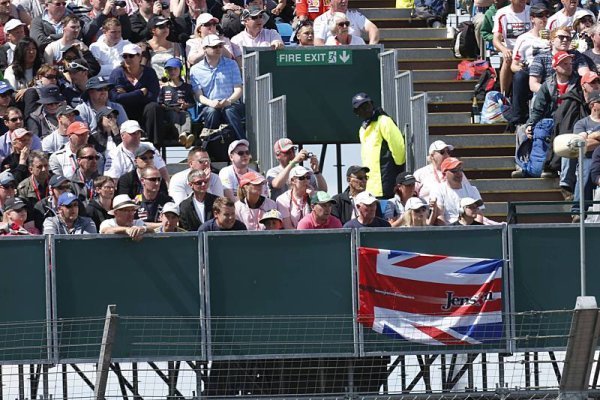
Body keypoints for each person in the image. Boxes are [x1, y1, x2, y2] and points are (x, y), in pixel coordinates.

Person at [190, 34, 245, 141]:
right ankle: (208, 148)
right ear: (205, 49)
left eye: (220, 46)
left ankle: (242, 144)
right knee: (211, 111)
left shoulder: (232, 64)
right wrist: (211, 103)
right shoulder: (195, 69)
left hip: (231, 103)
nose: (219, 49)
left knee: (229, 111)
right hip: (208, 105)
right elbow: (198, 95)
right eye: (214, 46)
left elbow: (239, 88)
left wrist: (229, 101)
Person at [352, 92, 405, 198]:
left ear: (372, 104)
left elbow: (398, 148)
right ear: (357, 112)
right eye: (361, 107)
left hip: (386, 183)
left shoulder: (384, 121)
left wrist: (397, 171)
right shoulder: (362, 129)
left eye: (367, 105)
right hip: (371, 186)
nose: (365, 109)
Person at [109, 43, 164, 145]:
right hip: (124, 110)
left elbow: (152, 96)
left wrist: (126, 95)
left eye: (131, 55)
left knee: (154, 107)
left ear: (139, 57)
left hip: (144, 111)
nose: (128, 59)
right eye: (125, 56)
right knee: (117, 107)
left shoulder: (149, 72)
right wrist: (139, 93)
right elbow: (115, 98)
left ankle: (155, 145)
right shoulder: (117, 73)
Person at [507, 4, 551, 128]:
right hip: (531, 70)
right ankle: (519, 117)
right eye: (540, 16)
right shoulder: (524, 39)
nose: (544, 19)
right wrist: (523, 69)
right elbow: (513, 66)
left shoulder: (554, 36)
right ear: (532, 18)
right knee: (520, 76)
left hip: (551, 69)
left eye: (546, 16)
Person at [529, 27, 593, 94]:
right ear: (552, 40)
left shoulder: (576, 55)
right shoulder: (541, 57)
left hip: (571, 94)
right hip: (546, 94)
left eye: (568, 38)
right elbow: (533, 84)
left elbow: (585, 75)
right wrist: (554, 93)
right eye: (561, 37)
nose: (565, 40)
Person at [104, 120, 169, 182]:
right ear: (122, 135)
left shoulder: (149, 147)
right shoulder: (114, 153)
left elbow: (163, 171)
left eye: (138, 133)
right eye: (132, 133)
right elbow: (112, 180)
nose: (136, 136)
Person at [431, 157, 485, 225]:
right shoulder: (438, 190)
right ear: (445, 173)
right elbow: (440, 216)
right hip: (450, 229)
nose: (459, 173)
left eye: (460, 170)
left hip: (471, 228)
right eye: (454, 171)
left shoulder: (472, 190)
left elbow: (479, 214)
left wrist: (477, 230)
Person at [492, 0, 530, 94]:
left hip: (529, 49)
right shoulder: (502, 14)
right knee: (507, 57)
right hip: (512, 50)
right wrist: (504, 49)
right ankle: (504, 94)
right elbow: (496, 39)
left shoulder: (532, 12)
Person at [159, 57, 195, 148]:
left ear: (180, 70)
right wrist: (170, 108)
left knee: (185, 115)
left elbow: (192, 102)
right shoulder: (164, 88)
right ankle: (182, 136)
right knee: (173, 115)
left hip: (182, 110)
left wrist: (186, 105)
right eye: (169, 70)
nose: (172, 72)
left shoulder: (187, 87)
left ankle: (185, 135)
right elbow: (160, 103)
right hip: (169, 111)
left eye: (175, 69)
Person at [313, 0, 378, 45]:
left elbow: (373, 29)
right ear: (331, 1)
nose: (344, 1)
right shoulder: (321, 20)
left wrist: (371, 48)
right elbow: (318, 43)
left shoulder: (355, 15)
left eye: (347, 24)